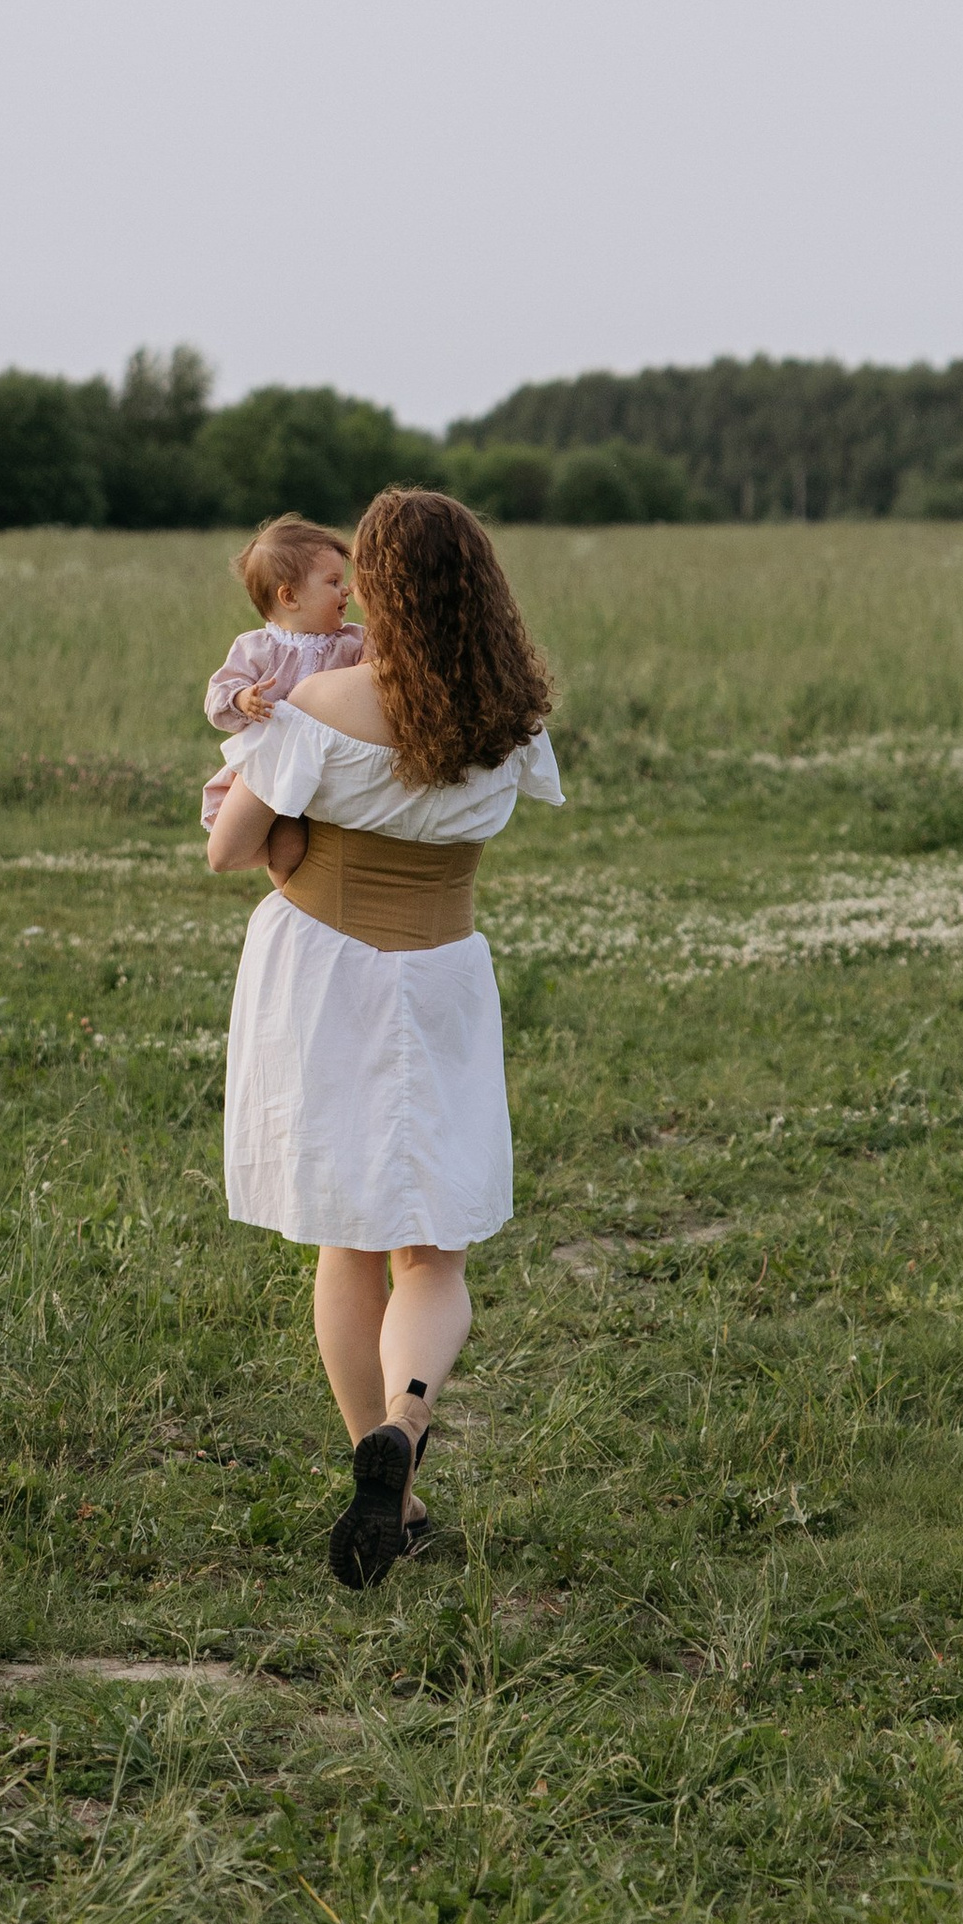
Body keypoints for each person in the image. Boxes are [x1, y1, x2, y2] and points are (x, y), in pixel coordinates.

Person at [205, 485, 563, 1587]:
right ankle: (404, 1427)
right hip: (441, 977)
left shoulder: (315, 707)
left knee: (347, 1238)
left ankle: (389, 1486)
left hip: (323, 974)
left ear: (382, 590)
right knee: (431, 1247)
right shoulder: (511, 720)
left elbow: (227, 850)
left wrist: (283, 826)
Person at [197, 513, 365, 840]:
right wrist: (242, 699)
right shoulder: (257, 648)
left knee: (312, 843)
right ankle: (289, 889)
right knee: (285, 846)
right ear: (289, 597)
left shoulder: (352, 642)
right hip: (269, 771)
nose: (345, 591)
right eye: (332, 582)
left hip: (326, 770)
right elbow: (218, 694)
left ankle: (306, 886)